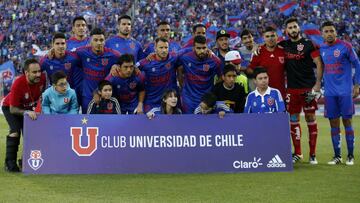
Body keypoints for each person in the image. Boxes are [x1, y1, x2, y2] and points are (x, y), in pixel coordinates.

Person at [279, 17, 323, 164]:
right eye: (290, 28)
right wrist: (256, 47)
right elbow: (268, 46)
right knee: (293, 119)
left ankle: (313, 154)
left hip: (308, 89)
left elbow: (318, 63)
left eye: (295, 27)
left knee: (310, 118)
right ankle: (298, 153)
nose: (293, 30)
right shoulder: (283, 45)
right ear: (286, 31)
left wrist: (317, 84)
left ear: (299, 29)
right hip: (292, 90)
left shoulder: (308, 44)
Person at [320, 21, 360, 165]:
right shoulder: (322, 48)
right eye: (326, 31)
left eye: (331, 31)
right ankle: (337, 156)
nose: (329, 33)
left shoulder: (346, 46)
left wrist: (357, 85)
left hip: (344, 91)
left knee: (347, 121)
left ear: (336, 32)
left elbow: (357, 64)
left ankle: (350, 156)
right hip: (330, 93)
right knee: (333, 124)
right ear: (322, 34)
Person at [2, 58, 46, 172]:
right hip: (11, 108)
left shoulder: (42, 79)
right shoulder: (18, 83)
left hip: (28, 108)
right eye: (34, 72)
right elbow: (13, 109)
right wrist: (27, 112)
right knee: (15, 132)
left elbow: (41, 96)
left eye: (39, 71)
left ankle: (24, 160)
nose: (38, 74)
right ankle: (9, 163)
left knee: (31, 133)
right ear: (26, 73)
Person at [75, 27, 121, 112]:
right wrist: (51, 51)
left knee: (106, 123)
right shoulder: (81, 52)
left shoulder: (113, 55)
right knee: (88, 122)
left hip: (106, 96)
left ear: (105, 41)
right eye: (95, 40)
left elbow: (126, 63)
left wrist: (116, 65)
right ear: (90, 40)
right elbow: (67, 55)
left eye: (101, 40)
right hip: (88, 96)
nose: (99, 43)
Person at [177, 35, 222, 114]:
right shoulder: (185, 58)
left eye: (204, 48)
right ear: (194, 48)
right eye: (198, 48)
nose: (202, 51)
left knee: (204, 124)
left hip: (206, 98)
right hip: (189, 98)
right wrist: (182, 85)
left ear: (207, 47)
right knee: (189, 122)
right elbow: (179, 68)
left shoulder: (215, 61)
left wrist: (213, 90)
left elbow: (221, 77)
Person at [137, 37, 179, 112]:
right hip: (152, 102)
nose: (164, 50)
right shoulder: (146, 61)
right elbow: (132, 67)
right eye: (161, 47)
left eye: (166, 47)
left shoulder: (173, 58)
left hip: (169, 102)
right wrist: (115, 66)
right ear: (155, 48)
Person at [40, 32, 82, 105]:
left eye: (62, 43)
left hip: (70, 96)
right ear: (52, 45)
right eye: (57, 44)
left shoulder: (74, 57)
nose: (60, 46)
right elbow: (36, 73)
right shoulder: (46, 60)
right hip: (53, 97)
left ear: (66, 45)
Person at [247, 26, 286, 98]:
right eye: (267, 36)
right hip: (263, 94)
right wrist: (258, 76)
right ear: (263, 38)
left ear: (277, 37)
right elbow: (249, 69)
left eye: (272, 36)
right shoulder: (258, 52)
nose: (270, 38)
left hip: (280, 94)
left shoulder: (283, 51)